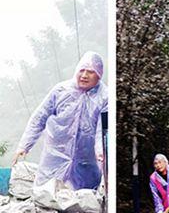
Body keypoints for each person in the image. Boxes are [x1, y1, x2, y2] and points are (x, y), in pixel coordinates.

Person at [12, 51, 108, 190]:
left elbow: (102, 129)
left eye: (91, 72)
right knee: (46, 193)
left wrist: (101, 152)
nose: (84, 75)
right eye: (82, 70)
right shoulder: (61, 90)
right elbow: (40, 117)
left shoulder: (105, 96)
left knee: (84, 199)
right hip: (55, 156)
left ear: (99, 74)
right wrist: (24, 145)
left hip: (86, 160)